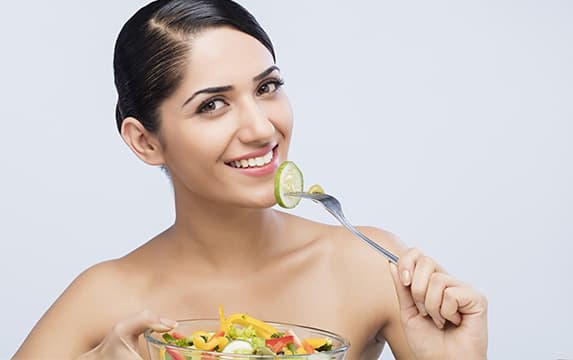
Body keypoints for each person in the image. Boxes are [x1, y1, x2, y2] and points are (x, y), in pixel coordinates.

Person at [13, 1, 488, 359]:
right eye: (212, 105)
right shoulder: (105, 295)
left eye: (267, 88)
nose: (262, 128)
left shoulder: (370, 266)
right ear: (145, 141)